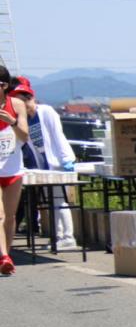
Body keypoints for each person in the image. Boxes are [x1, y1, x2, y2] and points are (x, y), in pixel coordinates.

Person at [10, 76, 78, 249]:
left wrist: (66, 160)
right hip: (45, 166)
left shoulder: (46, 111)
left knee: (59, 200)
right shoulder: (28, 119)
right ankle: (59, 236)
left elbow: (57, 136)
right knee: (53, 201)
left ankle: (67, 236)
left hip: (58, 162)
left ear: (28, 99)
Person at [0, 65, 29, 275]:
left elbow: (24, 136)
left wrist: (11, 122)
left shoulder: (16, 104)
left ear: (5, 86)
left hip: (13, 168)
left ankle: (5, 258)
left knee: (10, 217)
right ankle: (4, 255)